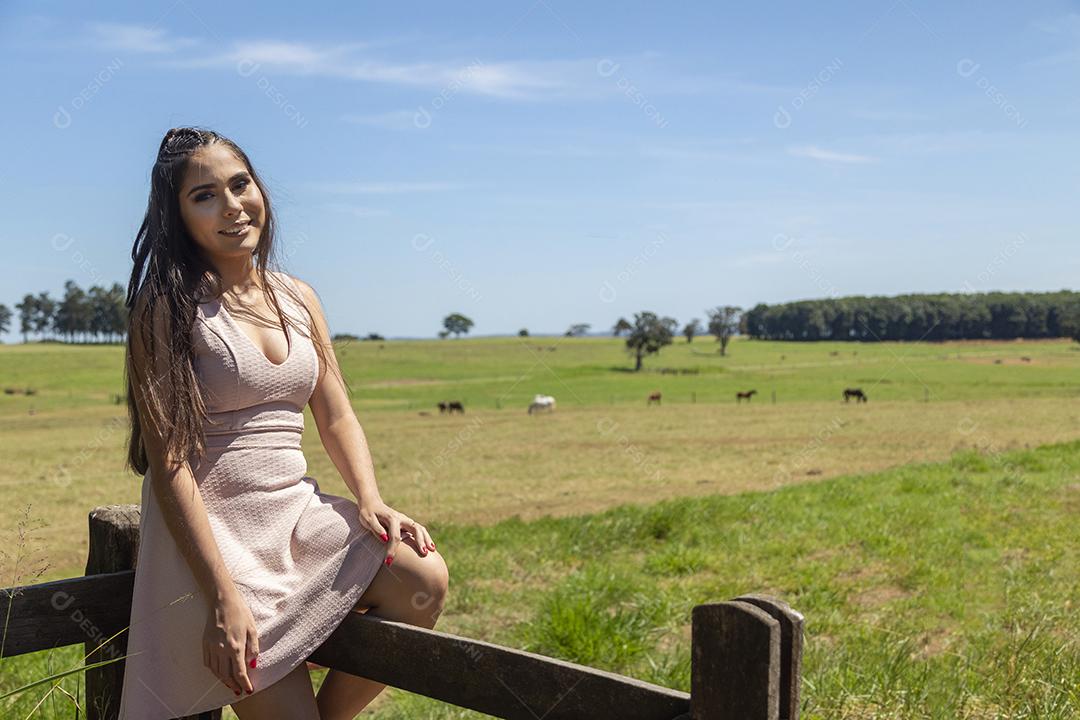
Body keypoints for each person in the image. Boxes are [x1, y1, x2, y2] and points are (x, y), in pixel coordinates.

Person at [118, 126, 449, 719]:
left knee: (421, 577)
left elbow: (336, 410)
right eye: (204, 196)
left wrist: (369, 499)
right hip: (212, 544)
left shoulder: (298, 296)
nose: (232, 206)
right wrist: (221, 597)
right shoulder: (165, 307)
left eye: (240, 184)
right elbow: (169, 464)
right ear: (177, 217)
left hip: (293, 513)